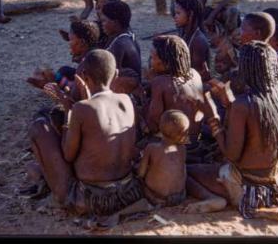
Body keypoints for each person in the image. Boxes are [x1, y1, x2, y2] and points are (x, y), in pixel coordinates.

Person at [184, 41, 278, 218]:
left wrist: (212, 116)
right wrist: (228, 102)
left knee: (185, 171)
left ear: (246, 69)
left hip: (247, 184)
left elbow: (232, 154)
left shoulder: (243, 104)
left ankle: (215, 199)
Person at [27, 50, 143, 220]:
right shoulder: (127, 100)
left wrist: (68, 110)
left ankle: (50, 183)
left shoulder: (82, 109)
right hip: (127, 192)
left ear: (84, 77)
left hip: (92, 198)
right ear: (116, 74)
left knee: (39, 128)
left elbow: (68, 155)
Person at [145, 35, 204, 143]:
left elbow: (153, 124)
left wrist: (141, 97)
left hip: (175, 143)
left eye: (152, 58)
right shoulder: (195, 74)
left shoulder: (160, 83)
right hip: (195, 140)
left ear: (166, 64)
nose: (151, 63)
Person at [27, 20, 100, 94]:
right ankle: (53, 80)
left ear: (81, 43)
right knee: (64, 70)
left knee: (64, 76)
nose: (69, 44)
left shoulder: (85, 64)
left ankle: (52, 82)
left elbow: (77, 95)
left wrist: (56, 89)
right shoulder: (96, 53)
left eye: (71, 40)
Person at [137, 110, 188, 208]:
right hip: (180, 197)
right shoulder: (183, 149)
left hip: (157, 198)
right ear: (182, 135)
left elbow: (140, 173)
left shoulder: (151, 148)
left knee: (138, 181)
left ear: (160, 128)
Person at [100, 0, 142, 93]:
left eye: (104, 21)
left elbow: (110, 75)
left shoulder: (120, 43)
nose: (102, 25)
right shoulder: (129, 35)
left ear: (115, 22)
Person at [173, 0, 211, 81]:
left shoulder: (198, 41)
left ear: (190, 14)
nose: (175, 17)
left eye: (178, 13)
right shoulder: (184, 33)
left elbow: (196, 75)